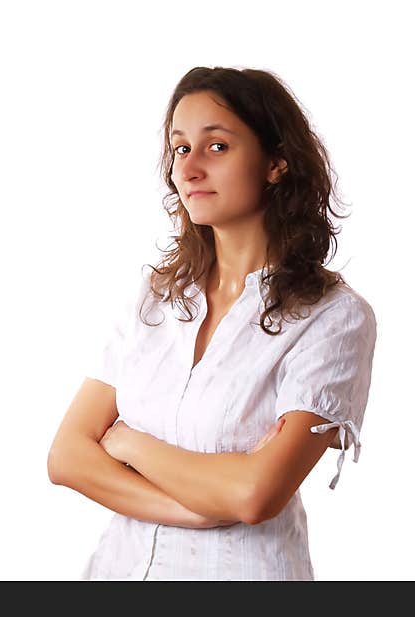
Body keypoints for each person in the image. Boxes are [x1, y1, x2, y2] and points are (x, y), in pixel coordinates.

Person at [47, 67, 376, 580]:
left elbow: (254, 494)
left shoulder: (333, 317)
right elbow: (66, 457)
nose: (189, 169)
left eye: (217, 147)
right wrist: (200, 508)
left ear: (276, 163)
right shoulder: (156, 297)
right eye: (180, 148)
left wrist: (129, 443)